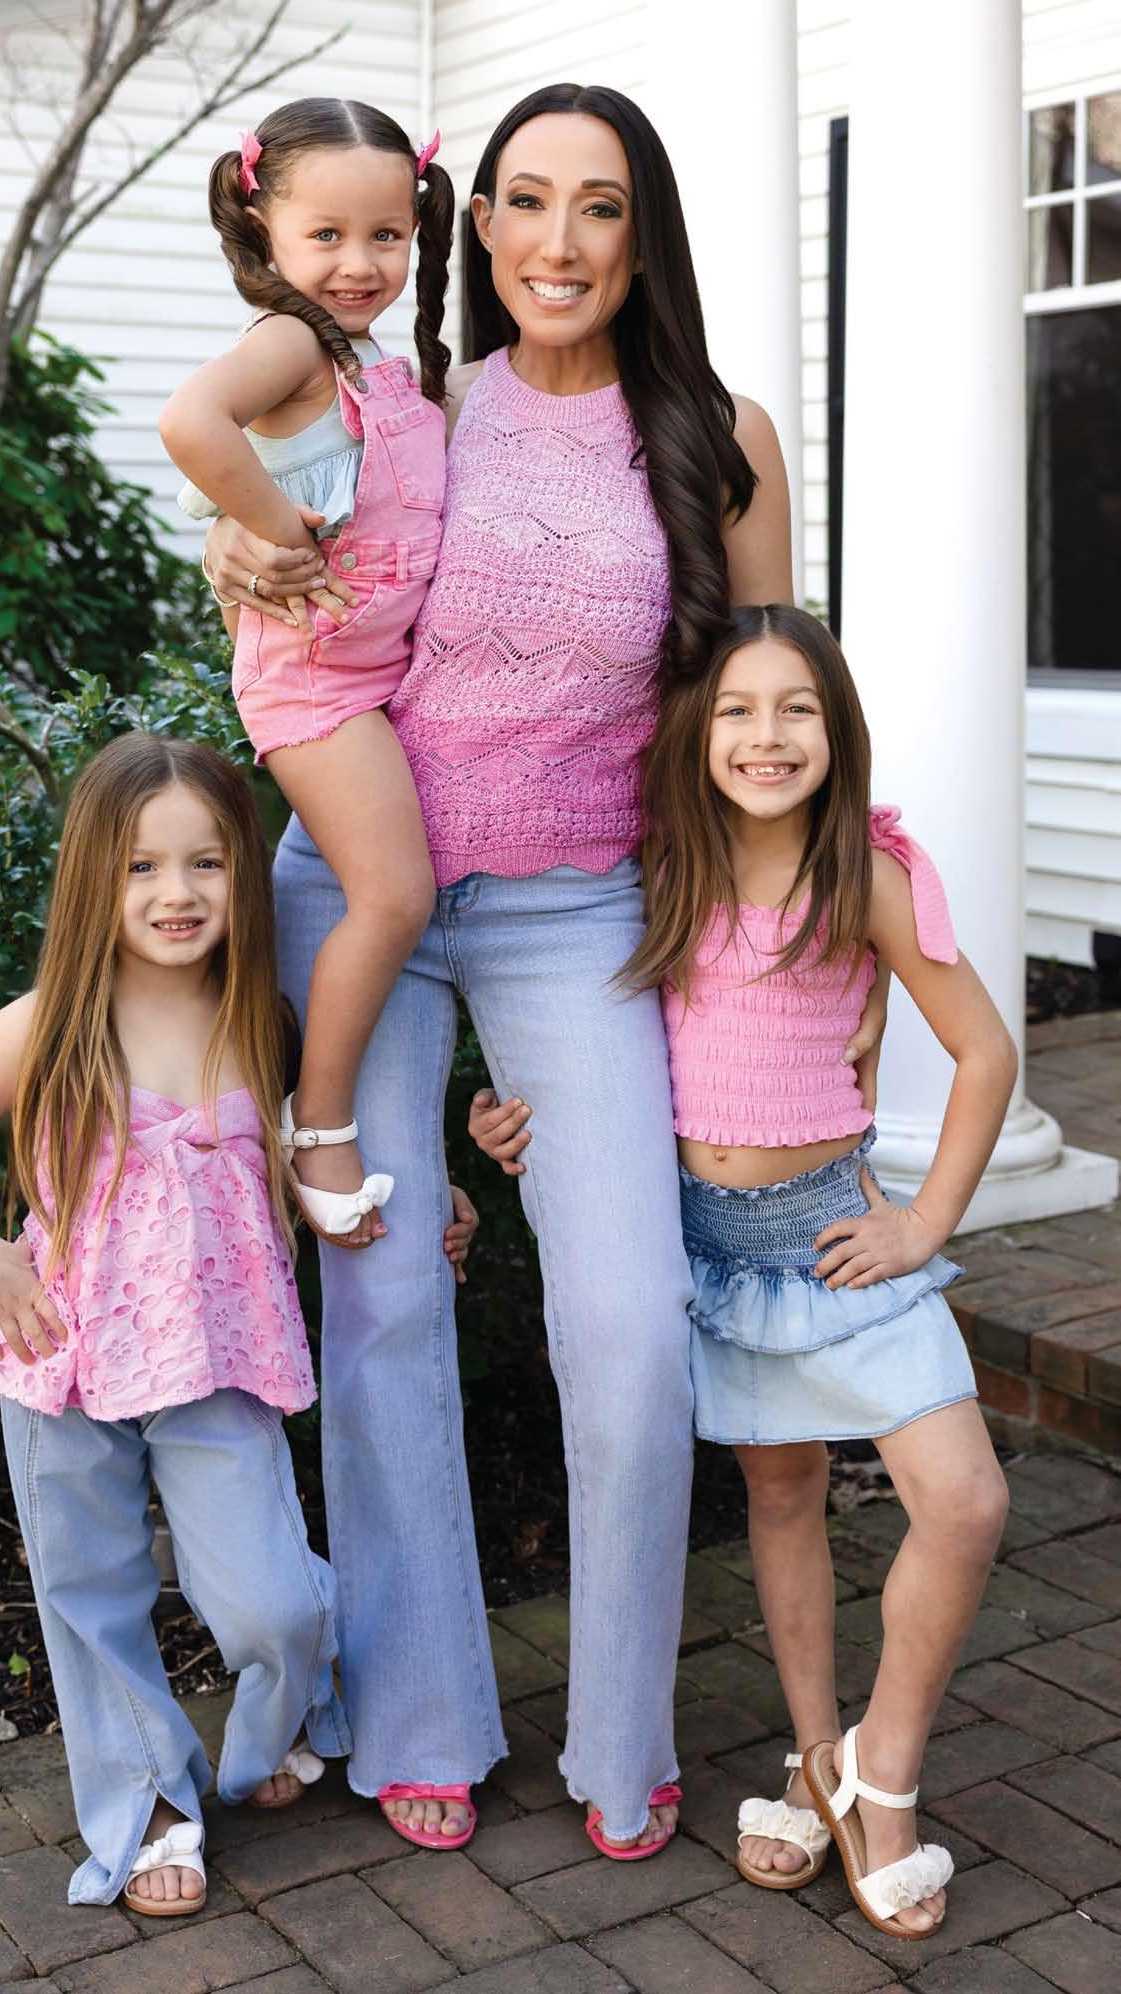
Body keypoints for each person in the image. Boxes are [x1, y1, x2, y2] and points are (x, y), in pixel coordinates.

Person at [196, 85, 869, 1859]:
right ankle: (417, 1709)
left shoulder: (716, 435)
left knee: (629, 1327)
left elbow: (763, 704)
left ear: (642, 235)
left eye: (599, 205)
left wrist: (799, 971)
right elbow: (286, 548)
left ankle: (619, 1734)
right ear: (475, 224)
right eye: (522, 200)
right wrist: (236, 538)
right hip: (363, 886)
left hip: (579, 912)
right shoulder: (405, 392)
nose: (556, 241)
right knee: (383, 1306)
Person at [470, 604, 1016, 1934]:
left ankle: (884, 1769)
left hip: (836, 1242)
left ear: (836, 730)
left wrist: (925, 1221)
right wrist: (514, 1118)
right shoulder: (657, 867)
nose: (765, 736)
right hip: (701, 1242)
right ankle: (815, 1755)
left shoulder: (867, 875)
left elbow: (986, 1051)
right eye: (735, 709)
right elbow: (591, 1043)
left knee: (963, 1498)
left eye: (795, 708)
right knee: (781, 1495)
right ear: (695, 731)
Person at [0, 733, 358, 1917]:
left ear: (243, 871)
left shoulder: (265, 1022)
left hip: (218, 1355)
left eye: (205, 862)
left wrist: (424, 1201)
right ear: (93, 877)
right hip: (62, 1352)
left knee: (272, 1599)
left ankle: (282, 1714)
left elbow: (313, 1160)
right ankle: (147, 1799)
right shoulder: (45, 1024)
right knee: (89, 1587)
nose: (175, 891)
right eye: (142, 865)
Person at [159, 98, 455, 1248]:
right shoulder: (289, 341)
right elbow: (192, 423)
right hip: (316, 683)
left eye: (386, 235)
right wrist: (275, 528)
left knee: (389, 895)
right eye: (326, 234)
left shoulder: (375, 362)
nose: (358, 262)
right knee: (395, 897)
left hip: (376, 679)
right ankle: (318, 1120)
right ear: (265, 227)